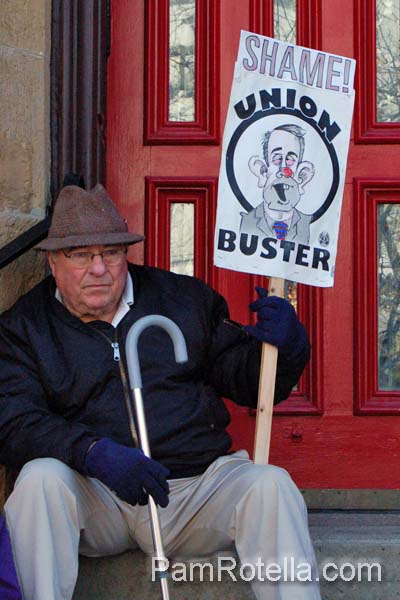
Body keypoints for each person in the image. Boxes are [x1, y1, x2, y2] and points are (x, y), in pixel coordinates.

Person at [0, 183, 321, 600]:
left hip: (192, 491)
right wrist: (93, 452)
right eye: (81, 255)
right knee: (39, 480)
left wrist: (288, 347)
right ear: (52, 260)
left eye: (111, 252)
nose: (99, 269)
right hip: (97, 496)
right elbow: (14, 422)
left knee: (271, 486)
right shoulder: (24, 328)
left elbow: (246, 381)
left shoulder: (183, 299)